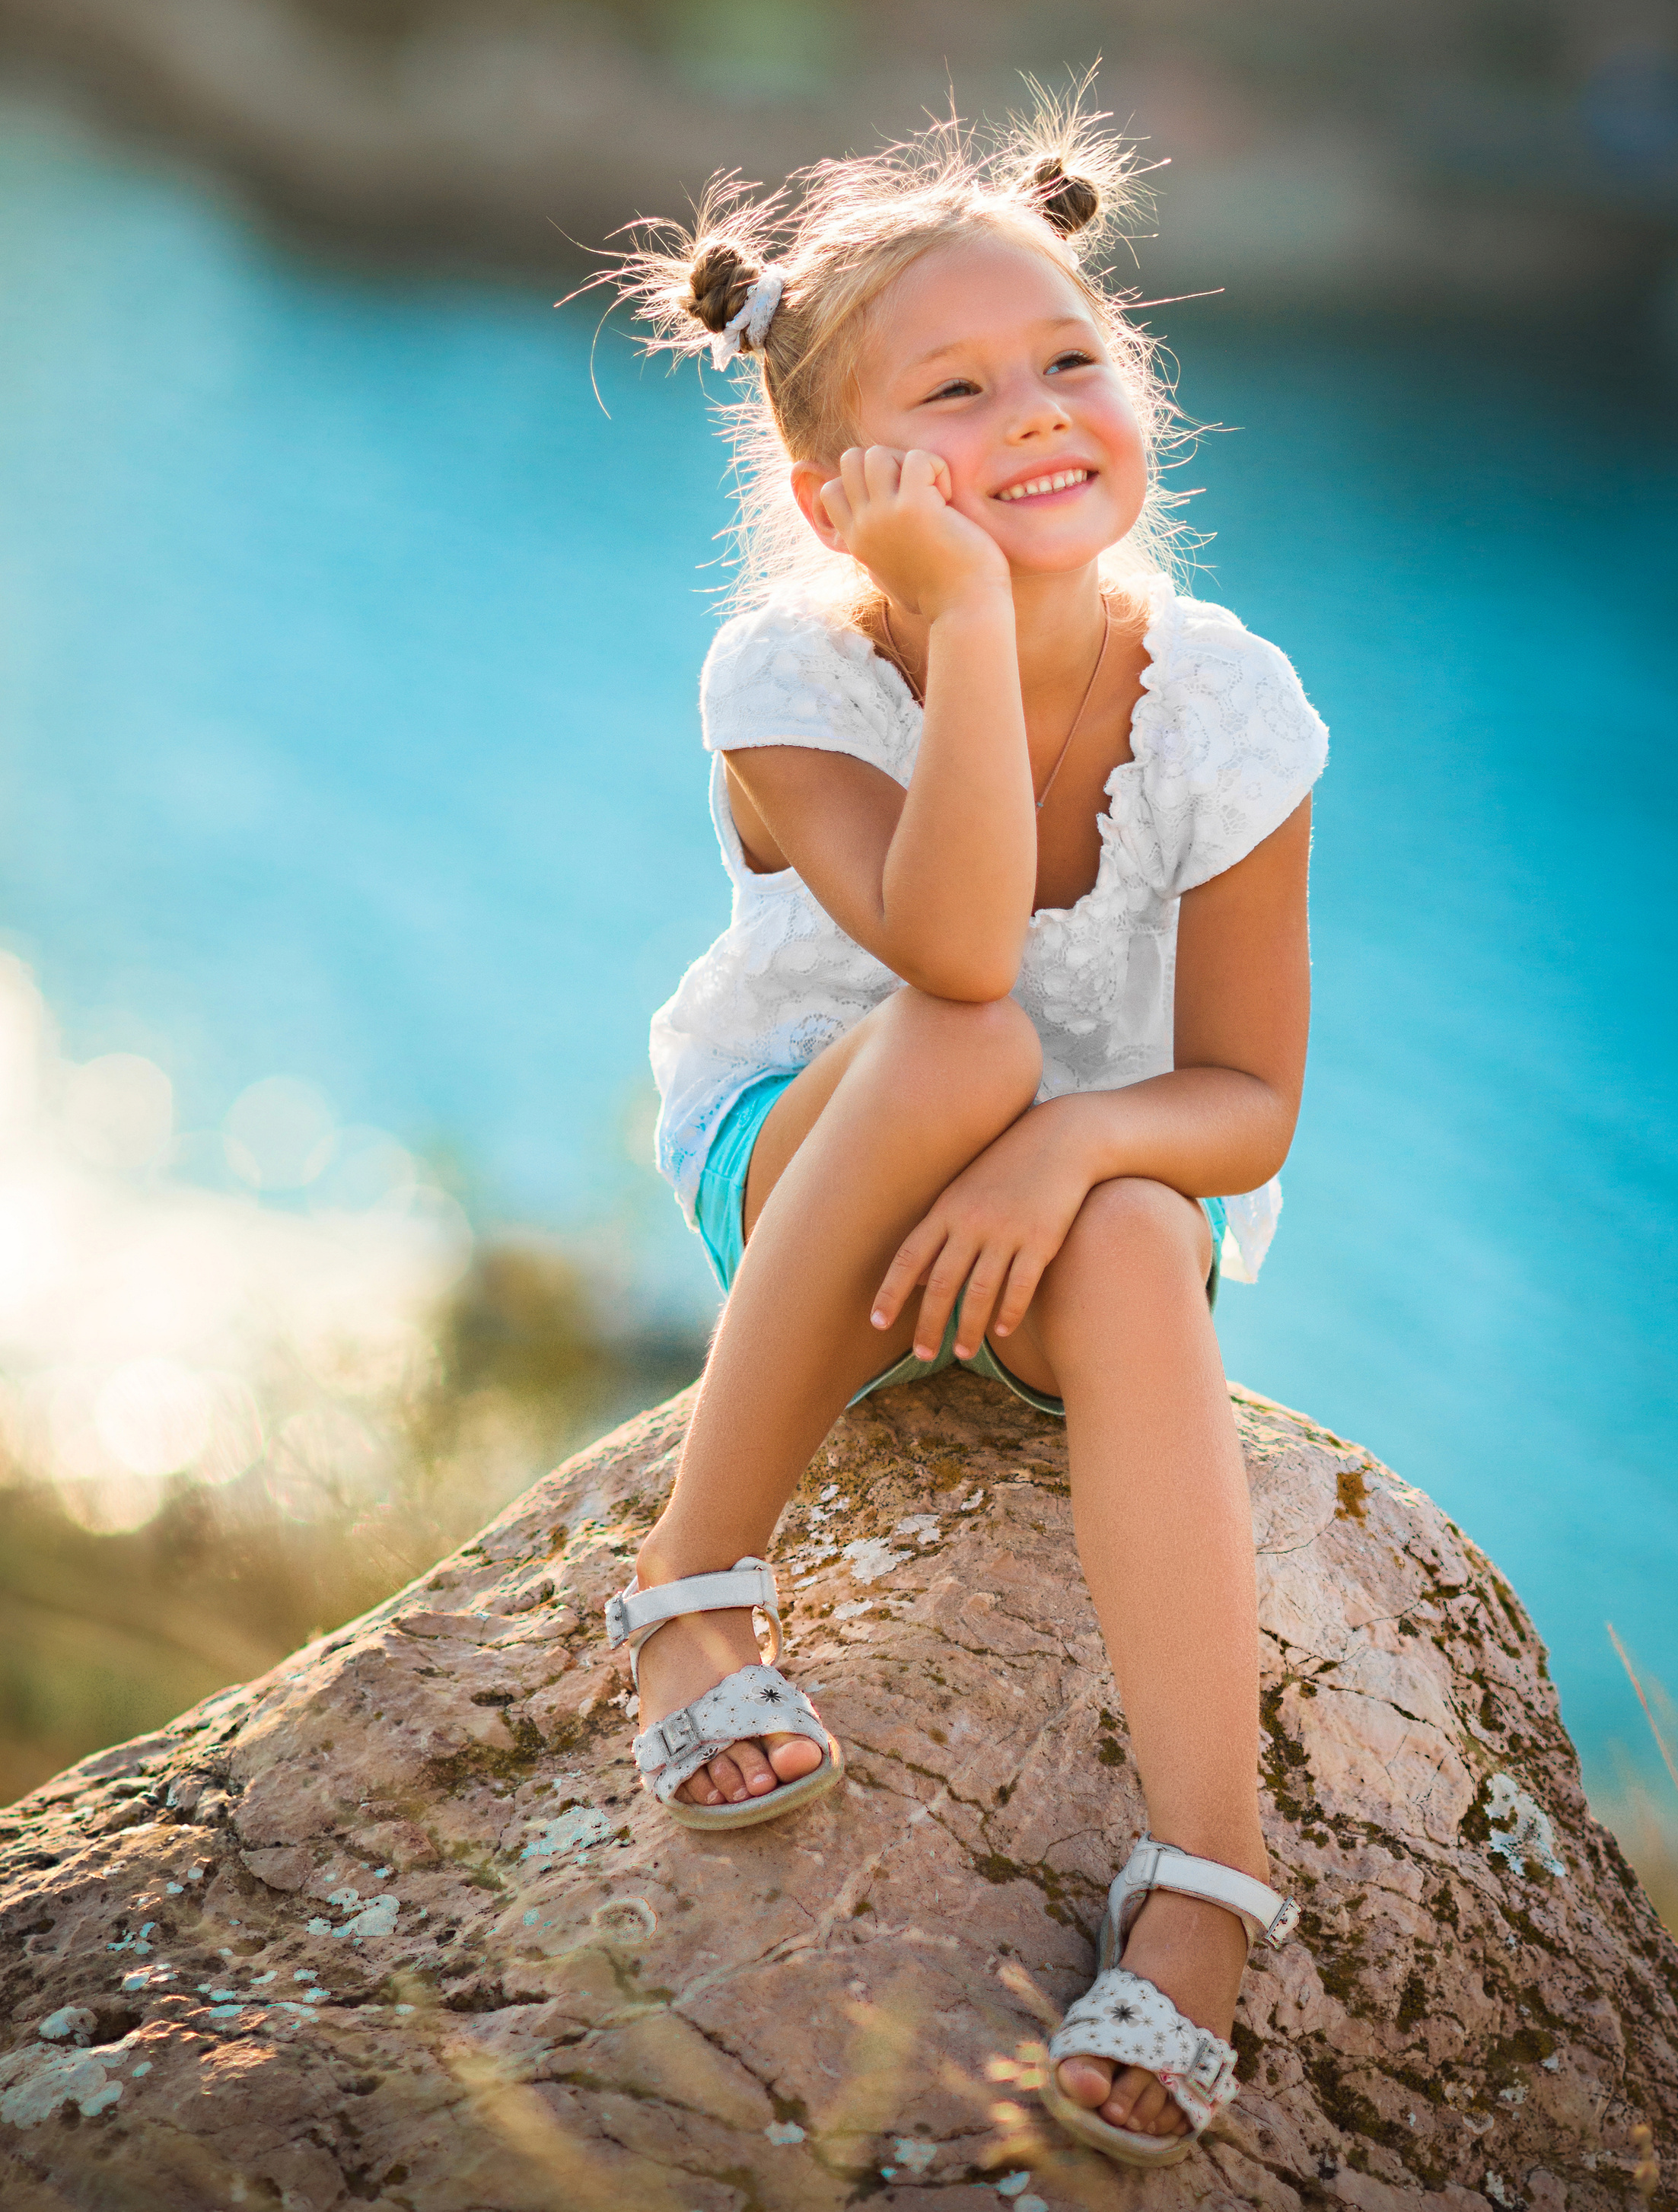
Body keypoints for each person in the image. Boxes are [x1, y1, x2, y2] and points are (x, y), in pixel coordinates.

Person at [596, 108, 1326, 2167]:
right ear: (847, 495)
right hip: (808, 1167)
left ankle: (1209, 1876)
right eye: (958, 390)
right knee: (966, 1032)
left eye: (1072, 357)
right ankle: (693, 1580)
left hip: (1052, 1234)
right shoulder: (788, 671)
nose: (1038, 412)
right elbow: (954, 943)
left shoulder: (1235, 702)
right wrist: (979, 628)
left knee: (1093, 1182)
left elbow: (1251, 1098)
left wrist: (1066, 1156)